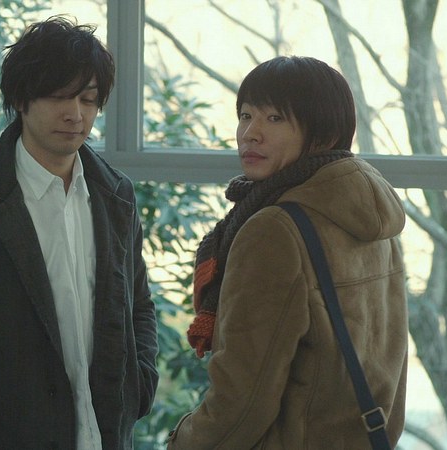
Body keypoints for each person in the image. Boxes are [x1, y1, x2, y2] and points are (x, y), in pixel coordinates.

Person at [0, 16, 158, 450]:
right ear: (21, 98)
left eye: (88, 100)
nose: (75, 114)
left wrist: (139, 384)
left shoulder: (116, 195)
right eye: (58, 96)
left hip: (105, 434)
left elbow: (138, 304)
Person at [166, 56, 408, 449]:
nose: (250, 134)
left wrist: (182, 442)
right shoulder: (372, 214)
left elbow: (241, 402)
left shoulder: (273, 230)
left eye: (275, 118)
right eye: (246, 116)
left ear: (324, 134)